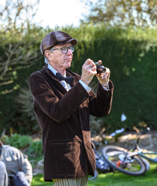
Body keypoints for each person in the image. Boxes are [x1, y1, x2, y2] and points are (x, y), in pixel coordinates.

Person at [28, 31, 114, 186]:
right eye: (63, 49)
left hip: (83, 157)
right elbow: (57, 112)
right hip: (63, 159)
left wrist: (104, 84)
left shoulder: (76, 78)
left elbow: (100, 110)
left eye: (70, 49)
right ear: (48, 54)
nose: (69, 53)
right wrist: (84, 83)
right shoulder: (38, 79)